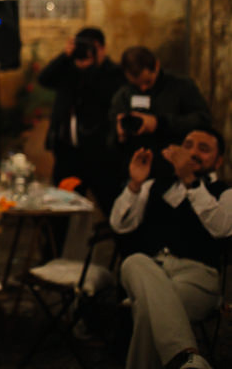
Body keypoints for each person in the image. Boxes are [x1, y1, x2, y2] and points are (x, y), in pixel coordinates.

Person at [110, 127, 231, 369]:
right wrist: (135, 183)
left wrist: (190, 181)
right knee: (134, 261)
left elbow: (222, 229)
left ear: (218, 161)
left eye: (203, 149)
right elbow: (119, 224)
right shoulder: (153, 185)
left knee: (147, 310)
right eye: (187, 146)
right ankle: (187, 358)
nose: (193, 153)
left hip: (197, 278)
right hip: (149, 269)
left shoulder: (225, 193)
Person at [38, 27, 126, 214]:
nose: (85, 53)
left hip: (100, 153)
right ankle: (58, 244)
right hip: (67, 154)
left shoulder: (114, 73)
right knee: (61, 211)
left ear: (102, 48)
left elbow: (105, 95)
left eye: (91, 48)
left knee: (111, 205)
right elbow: (44, 79)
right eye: (81, 46)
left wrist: (93, 67)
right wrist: (65, 56)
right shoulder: (68, 70)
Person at [109, 46, 211, 182]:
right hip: (138, 174)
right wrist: (119, 136)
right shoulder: (123, 96)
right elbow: (110, 142)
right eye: (137, 85)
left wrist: (160, 123)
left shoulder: (182, 86)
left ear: (156, 66)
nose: (143, 88)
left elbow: (203, 120)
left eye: (147, 82)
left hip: (176, 171)